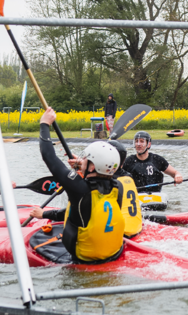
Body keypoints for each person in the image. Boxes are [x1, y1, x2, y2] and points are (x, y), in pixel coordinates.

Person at [29, 108, 125, 263]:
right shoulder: (118, 187)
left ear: (92, 167)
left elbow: (49, 157)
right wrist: (83, 165)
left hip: (84, 257)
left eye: (86, 159)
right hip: (114, 253)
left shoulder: (79, 189)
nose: (82, 160)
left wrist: (44, 124)